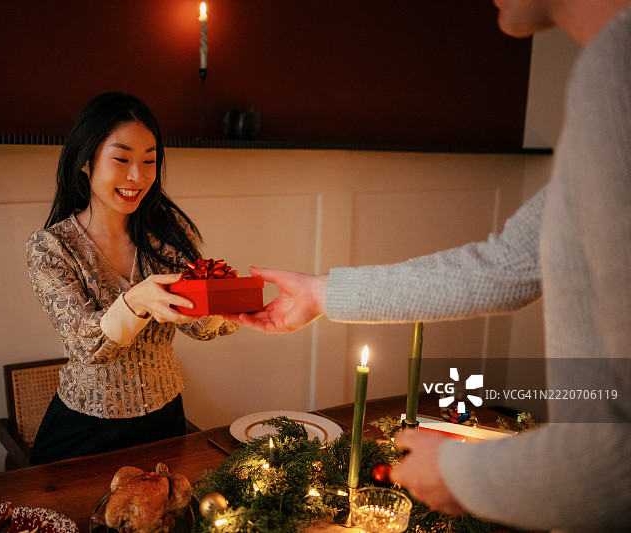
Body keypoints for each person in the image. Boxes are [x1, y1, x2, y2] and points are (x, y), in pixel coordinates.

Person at [226, 1, 631, 531]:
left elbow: (614, 459)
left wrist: (459, 473)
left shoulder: (616, 72)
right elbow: (506, 264)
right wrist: (321, 293)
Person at [26, 92, 237, 465]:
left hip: (166, 419)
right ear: (85, 161)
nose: (138, 177)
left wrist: (229, 303)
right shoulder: (52, 247)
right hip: (85, 428)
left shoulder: (167, 232)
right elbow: (85, 345)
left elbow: (199, 326)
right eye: (121, 159)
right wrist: (138, 299)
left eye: (149, 161)